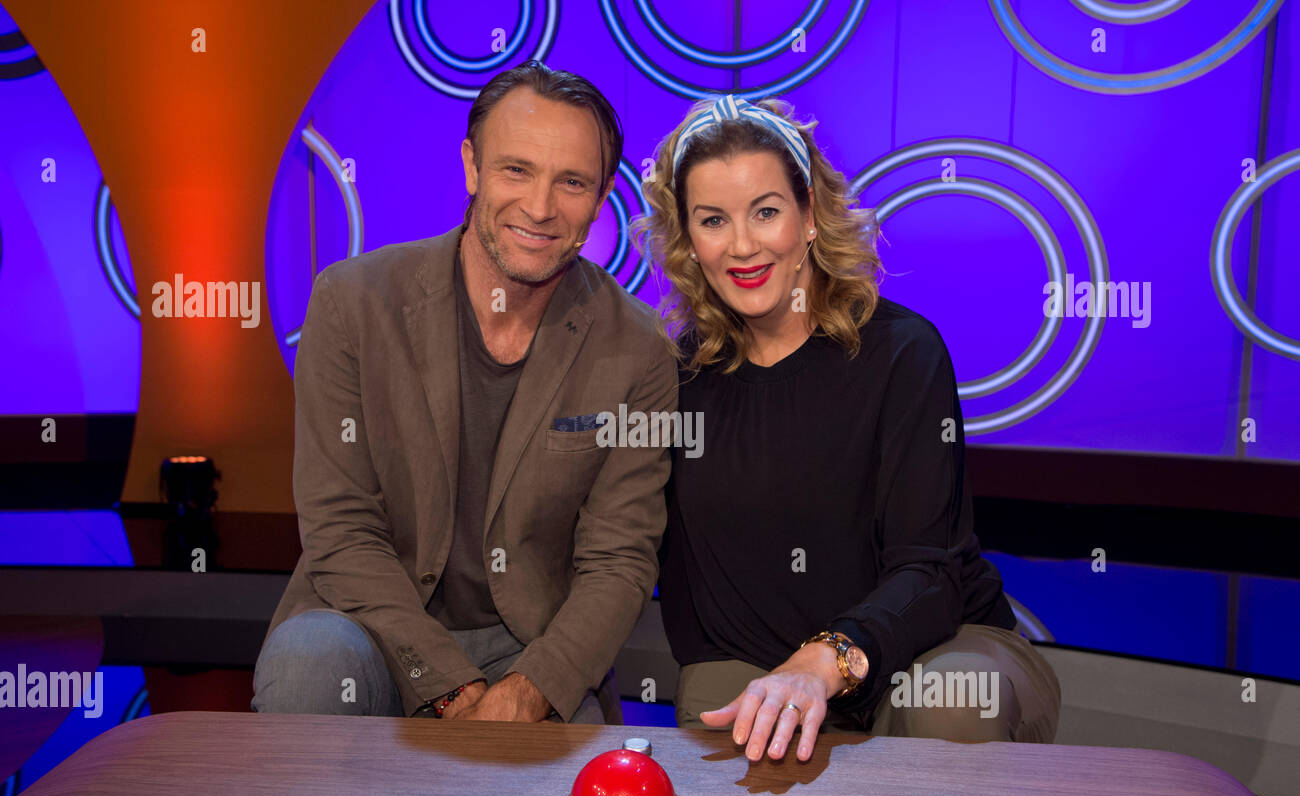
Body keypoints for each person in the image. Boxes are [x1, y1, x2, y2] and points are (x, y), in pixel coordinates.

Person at [632, 94, 1060, 760]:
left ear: (808, 216)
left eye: (766, 211)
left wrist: (825, 660)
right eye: (713, 220)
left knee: (948, 704)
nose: (742, 245)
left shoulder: (901, 353)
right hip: (754, 663)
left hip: (934, 650)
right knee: (723, 720)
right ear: (688, 241)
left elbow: (930, 571)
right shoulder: (674, 377)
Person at [253, 61, 677, 724]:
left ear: (599, 201)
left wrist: (528, 690)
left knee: (578, 778)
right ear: (472, 166)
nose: (540, 207)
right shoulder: (353, 304)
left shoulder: (638, 348)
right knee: (307, 659)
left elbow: (619, 560)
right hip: (374, 627)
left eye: (571, 182)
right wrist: (452, 687)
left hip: (531, 648)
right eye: (516, 170)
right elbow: (341, 530)